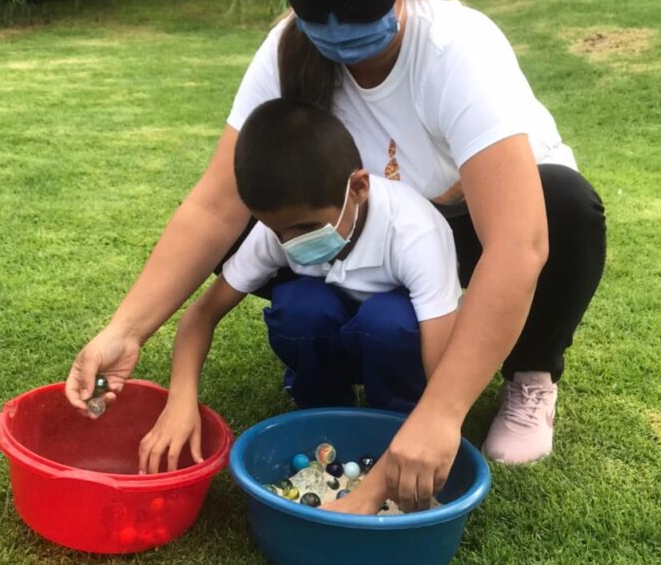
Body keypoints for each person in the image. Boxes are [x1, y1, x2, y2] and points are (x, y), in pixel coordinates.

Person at [66, 0, 606, 514]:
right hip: (366, 220)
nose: (334, 24)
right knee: (272, 196)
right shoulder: (290, 49)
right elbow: (216, 202)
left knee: (564, 206)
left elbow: (519, 245)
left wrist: (441, 416)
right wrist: (128, 328)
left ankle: (531, 373)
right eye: (314, 0)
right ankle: (338, 345)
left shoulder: (457, 52)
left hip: (465, 223)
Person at [137, 98, 461, 501]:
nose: (292, 244)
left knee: (387, 320)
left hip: (397, 343)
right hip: (336, 332)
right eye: (279, 232)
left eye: (307, 227)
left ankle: (394, 416)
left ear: (358, 188)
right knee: (299, 309)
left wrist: (431, 428)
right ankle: (321, 407)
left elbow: (443, 364)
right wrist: (180, 400)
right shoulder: (280, 231)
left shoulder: (415, 232)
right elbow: (201, 317)